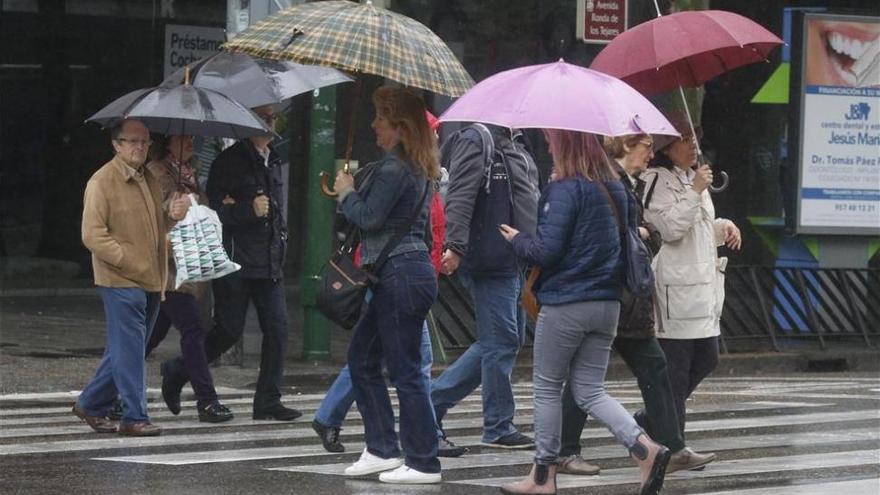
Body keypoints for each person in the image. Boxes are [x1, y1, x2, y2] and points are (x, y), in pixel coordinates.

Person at [498, 129, 670, 495]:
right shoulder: (616, 188)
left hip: (567, 303)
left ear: (565, 145)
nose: (547, 146)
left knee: (546, 387)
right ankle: (644, 447)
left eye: (551, 141)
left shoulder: (564, 189)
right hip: (608, 304)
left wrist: (518, 241)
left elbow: (546, 251)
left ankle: (542, 477)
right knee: (590, 389)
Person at [556, 133, 715, 477]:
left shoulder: (629, 184)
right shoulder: (606, 181)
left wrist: (641, 234)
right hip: (605, 293)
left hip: (627, 296)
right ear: (627, 146)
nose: (650, 153)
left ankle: (671, 447)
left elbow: (650, 233)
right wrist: (634, 234)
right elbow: (601, 232)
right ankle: (563, 451)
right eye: (645, 146)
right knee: (586, 376)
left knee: (655, 369)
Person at [159, 105, 302, 422]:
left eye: (273, 118)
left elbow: (274, 212)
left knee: (278, 329)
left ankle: (267, 399)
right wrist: (247, 209)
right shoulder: (231, 161)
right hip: (237, 261)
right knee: (228, 331)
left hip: (268, 261)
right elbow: (214, 213)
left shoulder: (273, 159)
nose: (270, 123)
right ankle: (177, 370)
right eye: (263, 118)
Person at [331, 86, 441, 484]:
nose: (374, 124)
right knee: (362, 359)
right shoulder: (416, 165)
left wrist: (346, 194)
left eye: (381, 117)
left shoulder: (396, 168)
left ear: (399, 125)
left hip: (399, 275)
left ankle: (424, 460)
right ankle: (381, 449)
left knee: (407, 371)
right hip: (403, 273)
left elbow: (370, 218)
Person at [74, 119, 190, 437]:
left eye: (145, 142)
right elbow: (92, 235)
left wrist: (171, 214)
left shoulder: (149, 178)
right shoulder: (102, 181)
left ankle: (90, 403)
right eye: (132, 141)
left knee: (128, 349)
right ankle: (134, 416)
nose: (140, 147)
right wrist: (128, 260)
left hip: (152, 277)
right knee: (130, 350)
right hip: (120, 279)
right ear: (116, 144)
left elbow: (157, 226)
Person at [432, 121, 540, 451]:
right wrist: (455, 245)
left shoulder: (513, 144)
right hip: (489, 256)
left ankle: (432, 404)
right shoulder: (476, 140)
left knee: (505, 339)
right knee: (502, 340)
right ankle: (495, 424)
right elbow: (462, 195)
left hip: (512, 258)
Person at [641, 116, 741, 446]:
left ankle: (656, 415)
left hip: (702, 287)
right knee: (676, 369)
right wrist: (696, 190)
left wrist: (722, 226)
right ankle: (674, 443)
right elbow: (669, 230)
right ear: (666, 148)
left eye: (695, 137)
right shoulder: (656, 180)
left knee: (707, 357)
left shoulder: (690, 178)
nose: (693, 144)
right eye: (685, 139)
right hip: (676, 289)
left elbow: (698, 226)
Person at [142, 135, 233, 423]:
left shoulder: (188, 173)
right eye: (185, 138)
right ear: (169, 141)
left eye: (194, 138)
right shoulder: (158, 171)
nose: (192, 142)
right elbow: (160, 212)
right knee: (193, 331)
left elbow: (199, 211)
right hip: (169, 265)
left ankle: (106, 393)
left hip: (188, 262)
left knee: (147, 337)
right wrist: (181, 199)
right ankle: (207, 400)